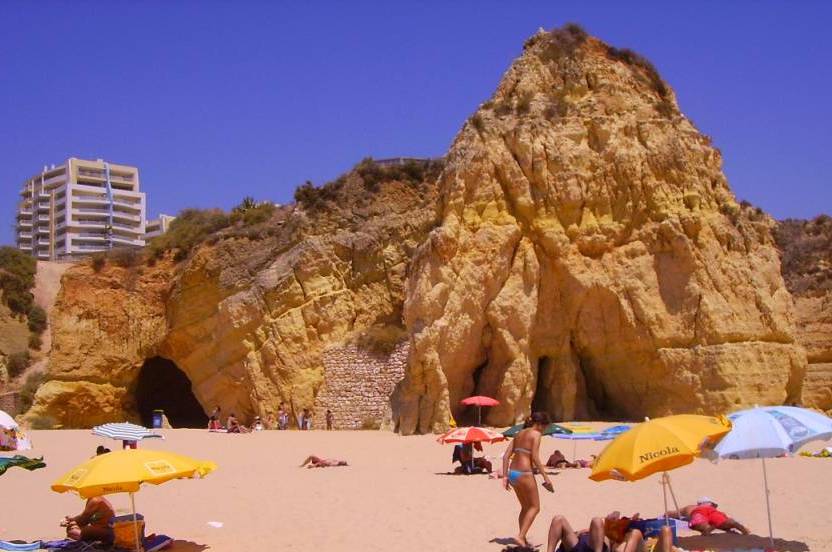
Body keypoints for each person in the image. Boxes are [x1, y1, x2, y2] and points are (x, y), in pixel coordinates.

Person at [501, 412, 555, 548]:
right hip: (525, 472)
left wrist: (505, 476)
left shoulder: (519, 433)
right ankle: (520, 536)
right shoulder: (536, 434)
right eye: (545, 427)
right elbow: (535, 458)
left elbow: (506, 456)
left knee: (525, 507)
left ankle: (523, 538)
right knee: (535, 507)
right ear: (541, 424)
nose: (544, 430)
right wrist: (546, 477)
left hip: (513, 473)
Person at [546, 513, 643, 552]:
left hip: (594, 548)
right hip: (579, 544)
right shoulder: (603, 527)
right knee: (558, 519)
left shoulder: (626, 537)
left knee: (596, 520)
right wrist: (580, 532)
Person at [667, 498, 749, 535]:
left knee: (700, 522)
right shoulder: (713, 509)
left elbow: (673, 513)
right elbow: (725, 519)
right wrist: (729, 526)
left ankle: (706, 528)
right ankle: (738, 526)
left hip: (698, 513)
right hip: (713, 513)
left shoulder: (691, 508)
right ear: (710, 504)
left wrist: (667, 514)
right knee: (725, 521)